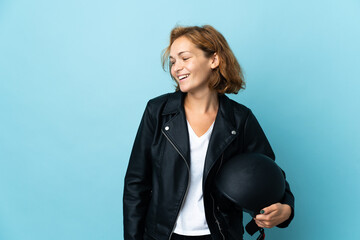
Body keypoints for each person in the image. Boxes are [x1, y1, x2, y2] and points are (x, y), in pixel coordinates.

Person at [123, 25, 294, 240]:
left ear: (214, 60)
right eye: (173, 61)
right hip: (163, 235)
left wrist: (286, 208)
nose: (176, 68)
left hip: (220, 235)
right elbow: (135, 184)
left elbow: (268, 171)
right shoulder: (157, 112)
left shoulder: (240, 119)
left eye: (185, 58)